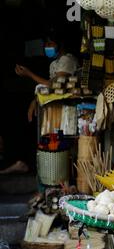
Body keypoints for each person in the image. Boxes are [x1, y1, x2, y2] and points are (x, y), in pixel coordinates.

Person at [0, 33, 78, 175]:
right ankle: (23, 162)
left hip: (64, 107)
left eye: (50, 44)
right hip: (51, 106)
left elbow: (54, 85)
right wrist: (35, 100)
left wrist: (29, 74)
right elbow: (47, 88)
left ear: (60, 44)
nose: (47, 47)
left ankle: (28, 164)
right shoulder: (54, 63)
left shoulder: (67, 59)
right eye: (46, 44)